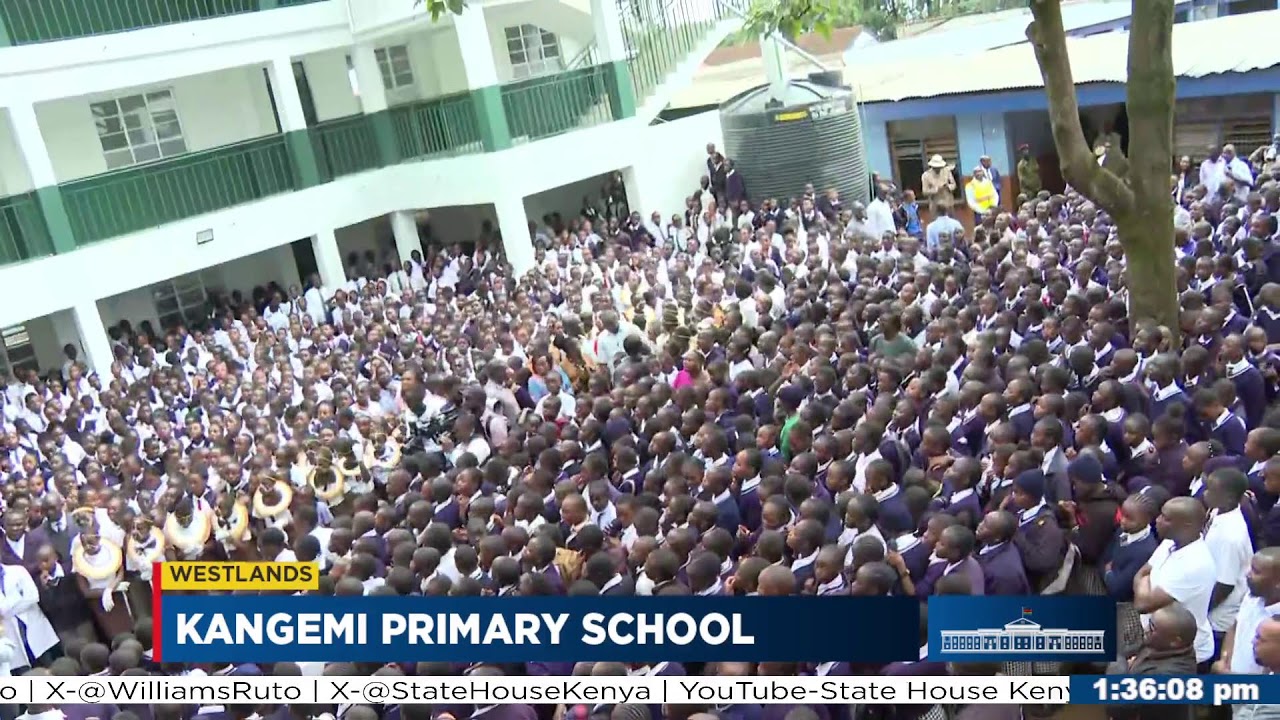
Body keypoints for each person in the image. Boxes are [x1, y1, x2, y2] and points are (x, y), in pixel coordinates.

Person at [1135, 497, 1217, 668]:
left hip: (1183, 650)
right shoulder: (1169, 543)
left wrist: (1144, 584)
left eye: (1166, 518)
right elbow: (1141, 573)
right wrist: (1144, 582)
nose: (1157, 520)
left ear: (1186, 524)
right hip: (1158, 637)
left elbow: (1143, 604)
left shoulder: (1195, 563)